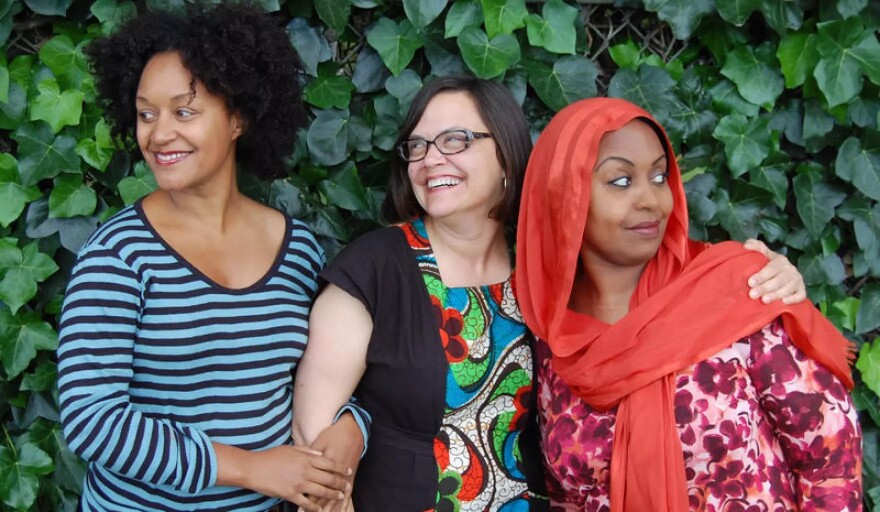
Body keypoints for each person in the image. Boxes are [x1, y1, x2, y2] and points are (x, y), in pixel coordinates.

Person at [291, 76, 808, 512]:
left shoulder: (544, 268)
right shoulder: (375, 268)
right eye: (418, 146)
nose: (431, 159)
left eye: (455, 140)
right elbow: (314, 441)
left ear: (508, 158)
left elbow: (650, 318)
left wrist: (769, 273)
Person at [56, 5, 364, 511]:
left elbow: (331, 371)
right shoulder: (118, 256)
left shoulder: (300, 250)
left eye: (184, 111)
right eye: (146, 113)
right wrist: (249, 467)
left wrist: (354, 426)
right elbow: (93, 421)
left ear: (238, 117)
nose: (158, 134)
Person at [516, 97, 861, 511]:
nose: (651, 200)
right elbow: (567, 498)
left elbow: (831, 461)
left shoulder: (738, 288)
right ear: (563, 196)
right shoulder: (552, 334)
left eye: (660, 176)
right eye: (621, 181)